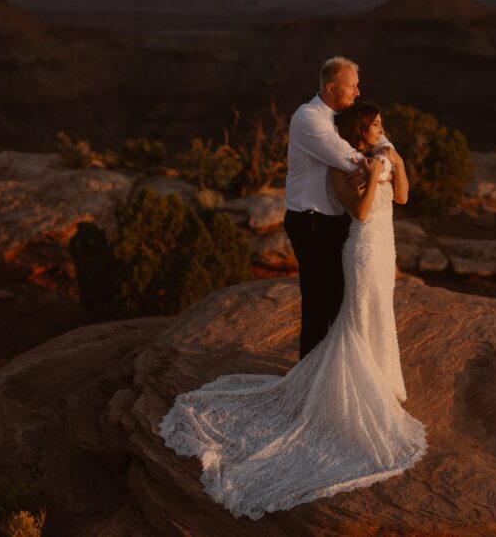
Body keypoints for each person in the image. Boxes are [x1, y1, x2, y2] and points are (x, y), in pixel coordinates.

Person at [158, 101, 426, 520]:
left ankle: (381, 377)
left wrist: (398, 162)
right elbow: (359, 211)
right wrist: (373, 177)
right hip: (363, 244)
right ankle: (349, 387)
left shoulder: (380, 153)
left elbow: (405, 196)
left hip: (386, 246)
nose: (382, 129)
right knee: (356, 313)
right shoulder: (343, 163)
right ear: (361, 128)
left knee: (380, 308)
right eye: (376, 125)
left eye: (382, 125)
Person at [282, 56, 385, 360]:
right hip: (311, 222)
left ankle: (331, 369)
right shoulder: (309, 119)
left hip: (334, 222)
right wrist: (374, 167)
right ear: (330, 87)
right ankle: (309, 380)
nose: (357, 92)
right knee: (318, 303)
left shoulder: (341, 116)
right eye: (352, 86)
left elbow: (376, 134)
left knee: (340, 301)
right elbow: (349, 159)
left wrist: (382, 160)